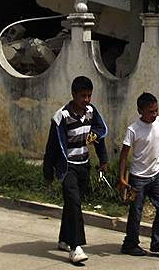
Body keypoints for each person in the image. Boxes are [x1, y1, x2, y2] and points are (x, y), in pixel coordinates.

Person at [42, 76, 109, 264]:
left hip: (84, 166)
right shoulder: (61, 117)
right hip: (68, 167)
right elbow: (52, 148)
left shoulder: (91, 112)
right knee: (74, 202)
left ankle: (64, 239)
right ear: (73, 95)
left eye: (89, 96)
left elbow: (98, 137)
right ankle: (75, 246)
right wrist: (48, 173)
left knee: (72, 204)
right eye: (83, 96)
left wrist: (103, 160)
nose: (86, 100)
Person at [118, 92, 159, 257]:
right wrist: (121, 178)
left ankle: (158, 242)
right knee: (136, 213)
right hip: (138, 178)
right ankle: (130, 244)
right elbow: (123, 156)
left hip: (157, 175)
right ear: (140, 111)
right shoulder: (133, 130)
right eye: (151, 111)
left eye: (156, 110)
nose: (154, 114)